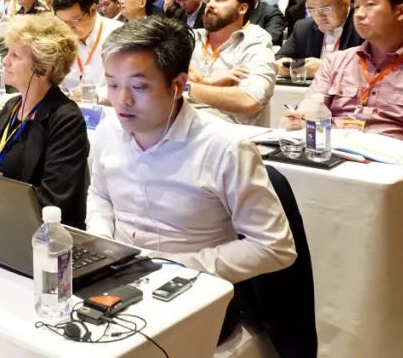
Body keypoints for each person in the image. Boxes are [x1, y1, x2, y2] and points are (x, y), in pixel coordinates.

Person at [88, 16, 296, 285]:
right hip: (118, 277)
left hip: (193, 284)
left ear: (177, 86)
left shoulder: (224, 148)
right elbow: (100, 195)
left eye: (138, 87)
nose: (122, 100)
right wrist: (102, 240)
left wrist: (175, 266)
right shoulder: (108, 131)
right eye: (113, 85)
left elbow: (274, 247)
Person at [282, 0, 403, 144]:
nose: (359, 14)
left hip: (389, 157)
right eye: (358, 6)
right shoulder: (336, 62)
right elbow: (308, 117)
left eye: (370, 5)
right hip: (331, 151)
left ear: (401, 11)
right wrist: (297, 120)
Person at [0, 14, 89, 228]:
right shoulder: (12, 107)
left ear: (43, 68)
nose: (5, 60)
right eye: (8, 52)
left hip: (39, 231)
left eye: (15, 55)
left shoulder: (66, 119)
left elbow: (53, 198)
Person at [187, 0, 276, 125]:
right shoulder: (192, 37)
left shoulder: (255, 40)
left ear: (242, 8)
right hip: (182, 128)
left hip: (230, 133)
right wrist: (208, 84)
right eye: (208, 0)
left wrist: (186, 88)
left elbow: (249, 99)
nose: (210, 5)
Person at [275, 0, 362, 76]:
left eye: (325, 9)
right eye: (312, 10)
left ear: (345, 3)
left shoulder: (363, 25)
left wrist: (324, 67)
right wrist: (287, 66)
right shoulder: (303, 27)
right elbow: (279, 57)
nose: (319, 16)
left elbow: (370, 66)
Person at [53, 0, 123, 97]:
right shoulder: (59, 39)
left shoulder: (118, 34)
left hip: (110, 105)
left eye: (75, 20)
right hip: (70, 105)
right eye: (62, 22)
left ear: (93, 10)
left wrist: (96, 94)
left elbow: (131, 83)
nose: (68, 27)